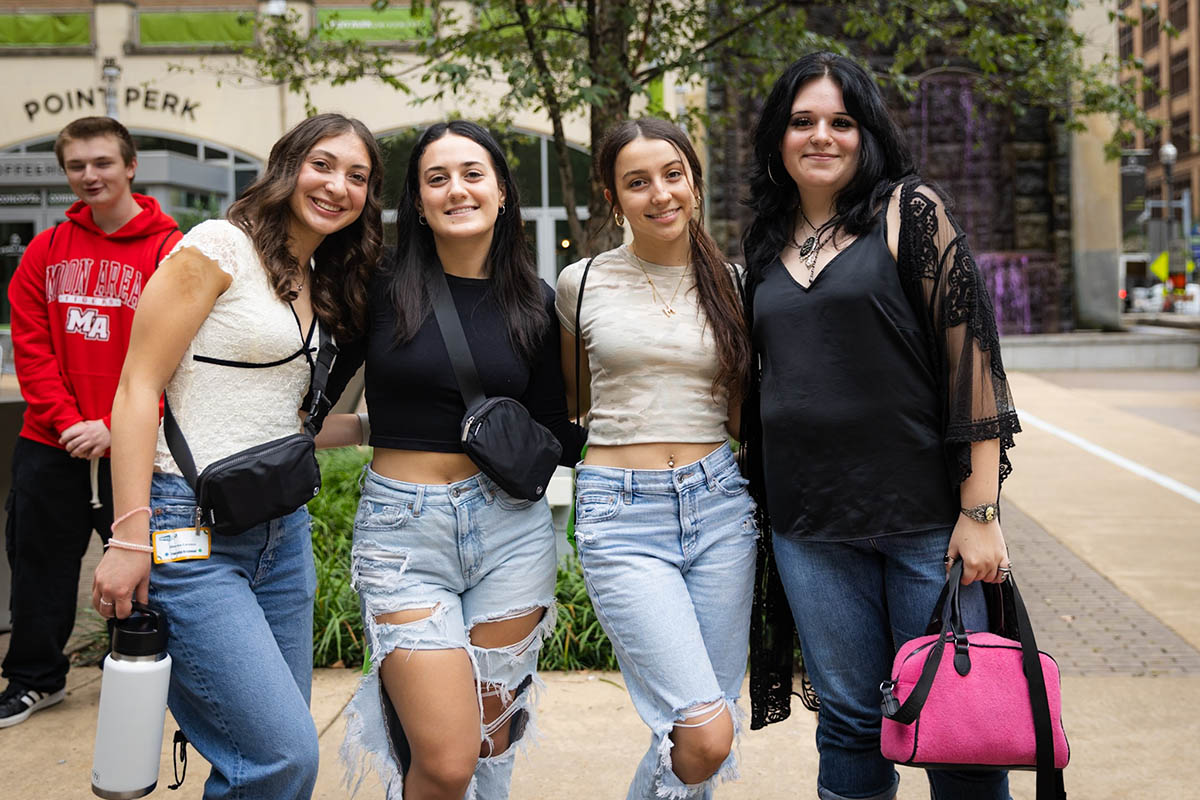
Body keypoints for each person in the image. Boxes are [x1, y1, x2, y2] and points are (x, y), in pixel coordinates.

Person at [740, 52, 1021, 800]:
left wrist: (981, 512)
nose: (821, 136)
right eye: (803, 122)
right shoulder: (763, 243)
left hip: (926, 522)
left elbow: (975, 364)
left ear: (866, 133)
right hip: (811, 528)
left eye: (841, 121)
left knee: (955, 727)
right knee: (850, 723)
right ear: (777, 138)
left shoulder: (910, 211)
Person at [90, 112, 383, 798]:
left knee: (254, 762)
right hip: (187, 531)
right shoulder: (219, 245)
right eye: (323, 164)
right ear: (287, 167)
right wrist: (130, 538)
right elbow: (137, 389)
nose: (338, 185)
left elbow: (278, 424)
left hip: (282, 534)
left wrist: (382, 431)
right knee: (282, 757)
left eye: (358, 176)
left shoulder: (314, 276)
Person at [318, 120, 585, 800]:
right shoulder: (379, 291)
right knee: (445, 759)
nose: (456, 189)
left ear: (502, 192)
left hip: (510, 536)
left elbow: (556, 431)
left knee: (491, 752)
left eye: (472, 174)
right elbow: (310, 407)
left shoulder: (535, 302)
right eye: (437, 178)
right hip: (404, 536)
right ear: (418, 200)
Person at [555, 118, 756, 800]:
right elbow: (575, 398)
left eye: (673, 175)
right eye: (637, 182)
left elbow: (738, 412)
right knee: (701, 731)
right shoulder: (580, 282)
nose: (659, 193)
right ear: (613, 198)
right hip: (621, 508)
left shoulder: (733, 284)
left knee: (706, 729)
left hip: (721, 506)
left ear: (695, 183)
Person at [1, 117, 181, 728]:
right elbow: (31, 344)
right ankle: (34, 679)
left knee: (147, 565)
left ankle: (143, 667)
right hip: (53, 444)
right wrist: (68, 422)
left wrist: (116, 426)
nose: (89, 176)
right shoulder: (45, 250)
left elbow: (182, 359)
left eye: (102, 163)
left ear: (130, 166)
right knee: (38, 563)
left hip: (137, 443)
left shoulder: (169, 250)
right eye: (76, 166)